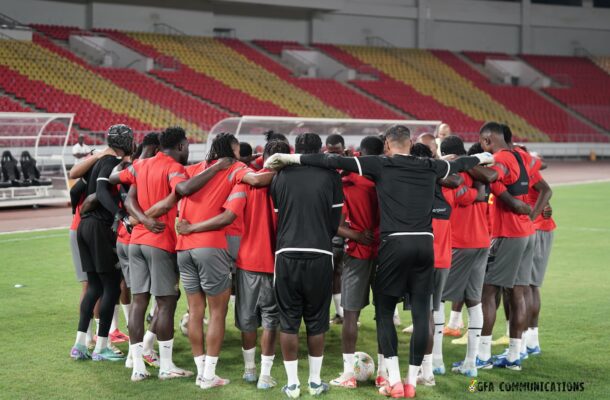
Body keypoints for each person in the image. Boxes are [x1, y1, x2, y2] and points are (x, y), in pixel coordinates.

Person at [265, 125, 493, 399]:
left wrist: (291, 159)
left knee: (380, 312)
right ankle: (410, 380)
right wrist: (483, 158)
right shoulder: (430, 166)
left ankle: (392, 380)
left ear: (387, 145)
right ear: (410, 143)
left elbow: (332, 160)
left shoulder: (379, 165)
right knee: (423, 315)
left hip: (390, 245)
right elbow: (462, 164)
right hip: (425, 245)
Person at [174, 133, 275, 390]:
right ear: (231, 150)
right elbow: (258, 179)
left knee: (196, 312)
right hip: (210, 246)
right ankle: (209, 376)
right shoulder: (236, 169)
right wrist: (285, 164)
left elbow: (182, 191)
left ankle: (200, 372)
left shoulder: (194, 169)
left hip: (183, 247)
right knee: (218, 312)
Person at [112, 127, 196, 381]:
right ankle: (166, 366)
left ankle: (137, 366)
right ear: (181, 146)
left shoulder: (141, 165)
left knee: (139, 302)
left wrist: (142, 220)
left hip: (136, 240)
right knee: (166, 302)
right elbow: (182, 189)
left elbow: (115, 179)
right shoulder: (174, 167)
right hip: (160, 240)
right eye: (187, 146)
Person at [268, 132, 343, 398]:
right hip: (320, 253)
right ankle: (313, 382)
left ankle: (292, 385)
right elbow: (336, 222)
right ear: (320, 150)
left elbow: (278, 216)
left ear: (294, 150)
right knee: (317, 320)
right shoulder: (332, 176)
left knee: (288, 321)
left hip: (286, 253)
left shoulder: (280, 177)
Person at [69, 124, 133, 362]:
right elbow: (103, 192)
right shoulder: (111, 162)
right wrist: (119, 216)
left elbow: (77, 190)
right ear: (126, 142)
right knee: (112, 286)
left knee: (94, 286)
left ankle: (79, 345)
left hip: (83, 226)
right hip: (98, 227)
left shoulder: (96, 162)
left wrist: (79, 212)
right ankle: (101, 347)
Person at [477, 122, 537, 371]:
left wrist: (471, 162)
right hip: (526, 230)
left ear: (487, 141)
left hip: (508, 233)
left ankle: (482, 356)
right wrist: (514, 201)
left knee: (488, 293)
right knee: (518, 293)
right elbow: (540, 183)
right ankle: (514, 355)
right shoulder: (522, 156)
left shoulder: (500, 158)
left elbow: (491, 175)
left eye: (482, 144)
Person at [330, 136, 383, 389]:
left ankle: (348, 374)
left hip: (358, 251)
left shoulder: (347, 181)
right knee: (385, 315)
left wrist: (357, 235)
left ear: (360, 154)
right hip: (385, 253)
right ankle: (385, 373)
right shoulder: (388, 178)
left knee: (350, 315)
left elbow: (335, 226)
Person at [326, 133, 347, 325]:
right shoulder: (323, 168)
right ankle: (340, 313)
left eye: (337, 152)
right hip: (333, 228)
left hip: (353, 225)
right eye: (330, 152)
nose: (333, 156)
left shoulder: (353, 166)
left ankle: (393, 315)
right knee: (334, 271)